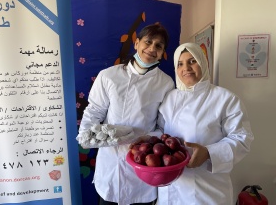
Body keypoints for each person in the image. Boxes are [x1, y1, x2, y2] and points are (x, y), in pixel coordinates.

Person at [78, 23, 175, 205]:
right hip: (110, 162)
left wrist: (147, 139)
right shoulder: (109, 76)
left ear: (163, 53)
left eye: (159, 46)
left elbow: (164, 125)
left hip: (144, 164)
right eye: (148, 42)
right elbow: (94, 110)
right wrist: (86, 135)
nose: (152, 48)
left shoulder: (166, 83)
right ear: (136, 43)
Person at [156, 42, 254, 205]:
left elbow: (242, 139)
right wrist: (146, 139)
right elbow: (160, 131)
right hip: (170, 190)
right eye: (180, 64)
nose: (186, 68)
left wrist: (209, 153)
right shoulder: (169, 98)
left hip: (207, 190)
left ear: (203, 62)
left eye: (192, 61)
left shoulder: (224, 99)